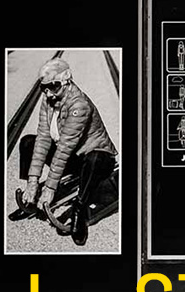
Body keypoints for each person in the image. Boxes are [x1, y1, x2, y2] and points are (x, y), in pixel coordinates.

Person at [8, 58, 118, 246]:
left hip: (96, 159)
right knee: (28, 142)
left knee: (96, 158)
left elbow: (65, 148)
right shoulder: (48, 98)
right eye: (44, 88)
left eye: (54, 86)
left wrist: (50, 188)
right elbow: (43, 138)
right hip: (74, 158)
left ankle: (79, 211)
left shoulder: (79, 105)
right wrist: (33, 182)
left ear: (66, 81)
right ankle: (32, 198)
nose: (49, 93)